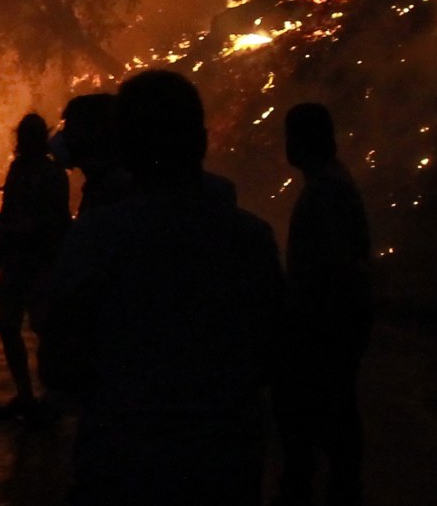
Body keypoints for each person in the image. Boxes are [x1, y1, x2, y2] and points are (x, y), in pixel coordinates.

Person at [36, 70, 282, 505]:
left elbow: (58, 364)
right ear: (202, 141)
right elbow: (273, 358)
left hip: (123, 465)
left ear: (124, 147)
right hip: (223, 467)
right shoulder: (251, 239)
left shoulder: (97, 239)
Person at [272, 102, 372, 506]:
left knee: (321, 413)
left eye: (292, 137)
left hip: (327, 326)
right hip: (337, 323)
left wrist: (303, 320)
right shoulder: (329, 183)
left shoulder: (327, 190)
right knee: (334, 412)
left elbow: (331, 268)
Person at [0, 114, 69, 420]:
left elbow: (56, 221)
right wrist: (1, 240)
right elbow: (10, 211)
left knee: (42, 329)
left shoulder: (52, 174)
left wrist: (15, 232)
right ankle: (26, 394)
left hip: (39, 262)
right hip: (18, 260)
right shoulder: (19, 170)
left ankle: (48, 397)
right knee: (8, 327)